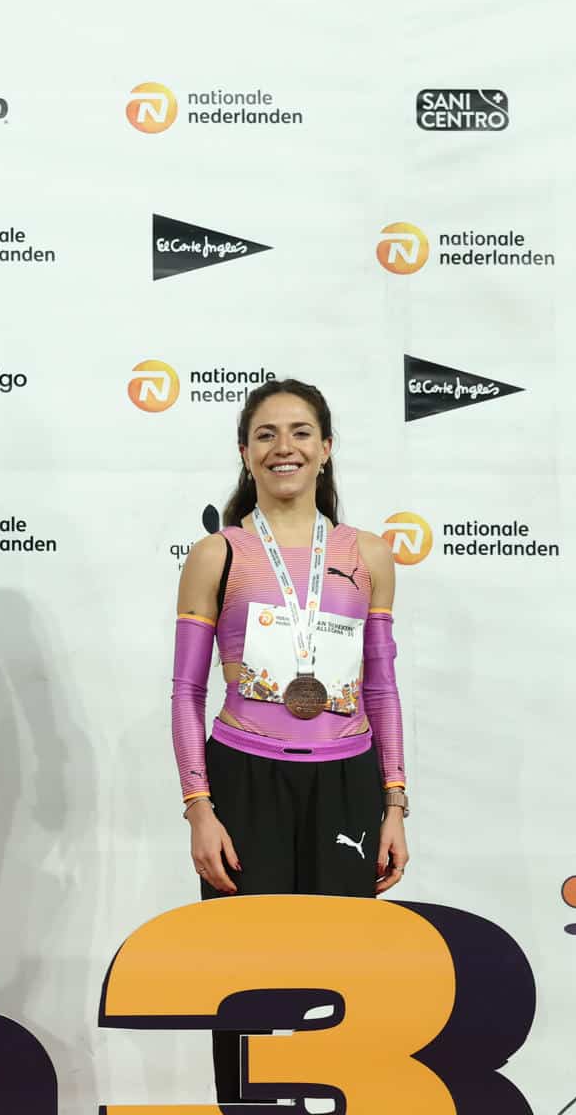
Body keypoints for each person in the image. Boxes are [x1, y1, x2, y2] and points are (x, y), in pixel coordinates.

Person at [170, 379, 410, 1101]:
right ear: (245, 454)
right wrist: (200, 807)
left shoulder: (368, 554)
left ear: (326, 449)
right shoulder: (219, 553)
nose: (285, 448)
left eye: (301, 432)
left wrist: (394, 801)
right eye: (267, 434)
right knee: (241, 983)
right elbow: (185, 692)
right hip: (244, 780)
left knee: (341, 978)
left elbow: (381, 687)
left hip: (347, 783)